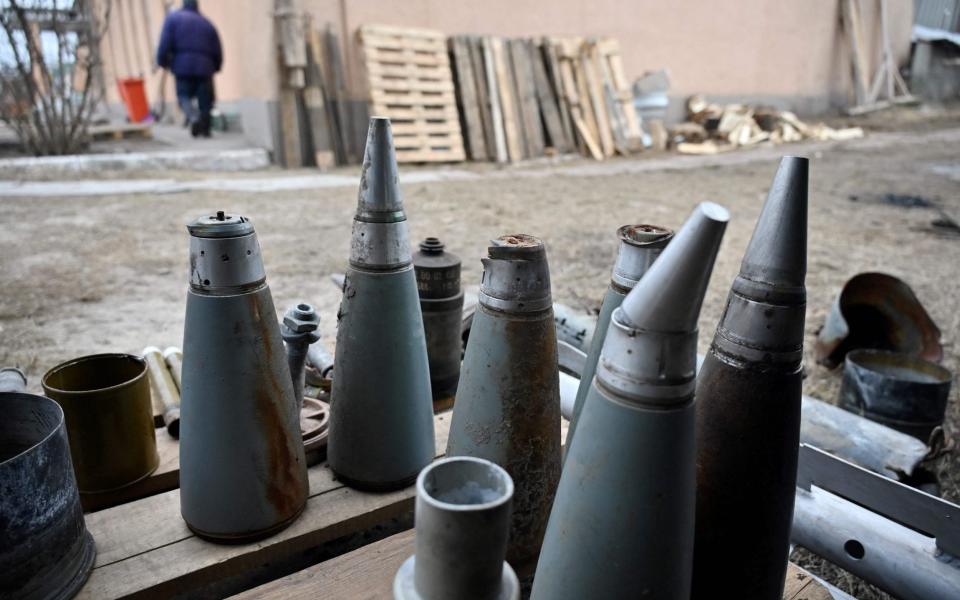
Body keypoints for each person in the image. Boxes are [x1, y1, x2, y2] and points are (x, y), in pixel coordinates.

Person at [156, 0, 222, 137]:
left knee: (183, 96)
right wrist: (217, 65)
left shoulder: (173, 19)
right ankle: (205, 130)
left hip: (182, 66)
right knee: (205, 100)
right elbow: (217, 48)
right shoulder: (206, 23)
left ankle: (193, 117)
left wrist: (162, 61)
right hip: (205, 67)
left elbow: (165, 42)